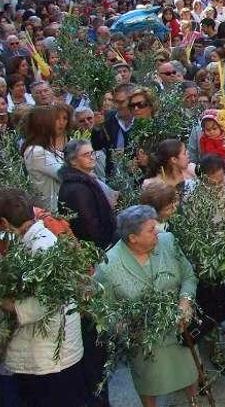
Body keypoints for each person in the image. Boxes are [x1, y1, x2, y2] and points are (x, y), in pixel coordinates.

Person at [94, 205, 199, 407]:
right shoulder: (108, 267)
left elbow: (188, 276)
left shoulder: (168, 242)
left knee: (188, 373)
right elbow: (104, 310)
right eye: (151, 229)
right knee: (149, 383)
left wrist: (185, 302)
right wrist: (123, 327)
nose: (158, 231)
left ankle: (194, 403)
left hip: (179, 331)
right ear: (133, 238)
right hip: (144, 343)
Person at [0, 188, 89, 407]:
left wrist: (6, 303)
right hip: (50, 352)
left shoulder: (42, 245)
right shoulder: (34, 239)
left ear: (4, 222)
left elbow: (45, 301)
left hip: (49, 357)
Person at [57, 140, 117, 249]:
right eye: (86, 155)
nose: (92, 157)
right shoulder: (77, 189)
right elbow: (89, 225)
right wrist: (104, 245)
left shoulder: (85, 181)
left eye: (92, 153)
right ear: (73, 161)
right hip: (94, 250)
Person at [22, 105, 69, 211]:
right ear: (45, 125)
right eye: (54, 120)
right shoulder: (37, 152)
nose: (59, 123)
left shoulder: (46, 148)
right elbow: (65, 174)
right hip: (51, 211)